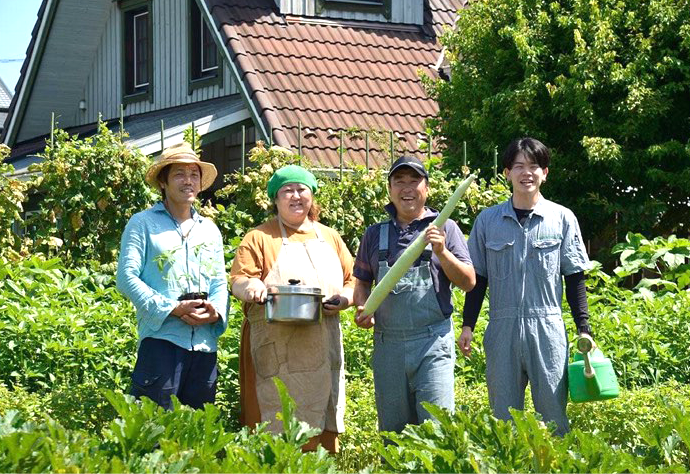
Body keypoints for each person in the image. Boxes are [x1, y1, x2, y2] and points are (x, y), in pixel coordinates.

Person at [459, 137, 592, 436]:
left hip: (548, 328)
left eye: (534, 166)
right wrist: (468, 325)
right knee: (503, 421)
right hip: (501, 328)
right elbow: (478, 279)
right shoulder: (487, 221)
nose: (526, 173)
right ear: (507, 172)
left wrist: (584, 327)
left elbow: (574, 278)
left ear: (545, 173)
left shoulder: (562, 218)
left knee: (554, 416)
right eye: (518, 166)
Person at [230, 164, 354, 454]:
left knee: (319, 424)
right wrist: (252, 287)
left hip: (322, 347)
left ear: (312, 196)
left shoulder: (330, 237)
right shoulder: (259, 237)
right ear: (275, 199)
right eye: (287, 190)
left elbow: (353, 281)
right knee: (277, 429)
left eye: (302, 189)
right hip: (277, 353)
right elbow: (238, 280)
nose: (295, 196)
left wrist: (345, 299)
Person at [353, 156, 475, 436]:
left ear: (427, 189)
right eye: (399, 181)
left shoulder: (446, 227)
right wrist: (362, 306)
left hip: (432, 342)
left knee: (438, 431)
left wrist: (442, 251)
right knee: (394, 436)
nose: (407, 188)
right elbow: (361, 284)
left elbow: (469, 282)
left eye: (414, 181)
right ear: (389, 189)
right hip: (389, 345)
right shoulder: (374, 234)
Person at [116, 142, 228, 410]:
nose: (188, 181)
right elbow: (126, 277)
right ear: (163, 182)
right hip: (161, 342)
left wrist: (215, 312)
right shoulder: (142, 223)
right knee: (153, 428)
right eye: (179, 174)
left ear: (200, 183)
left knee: (198, 430)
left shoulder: (209, 230)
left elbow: (219, 282)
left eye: (194, 174)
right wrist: (172, 309)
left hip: (203, 344)